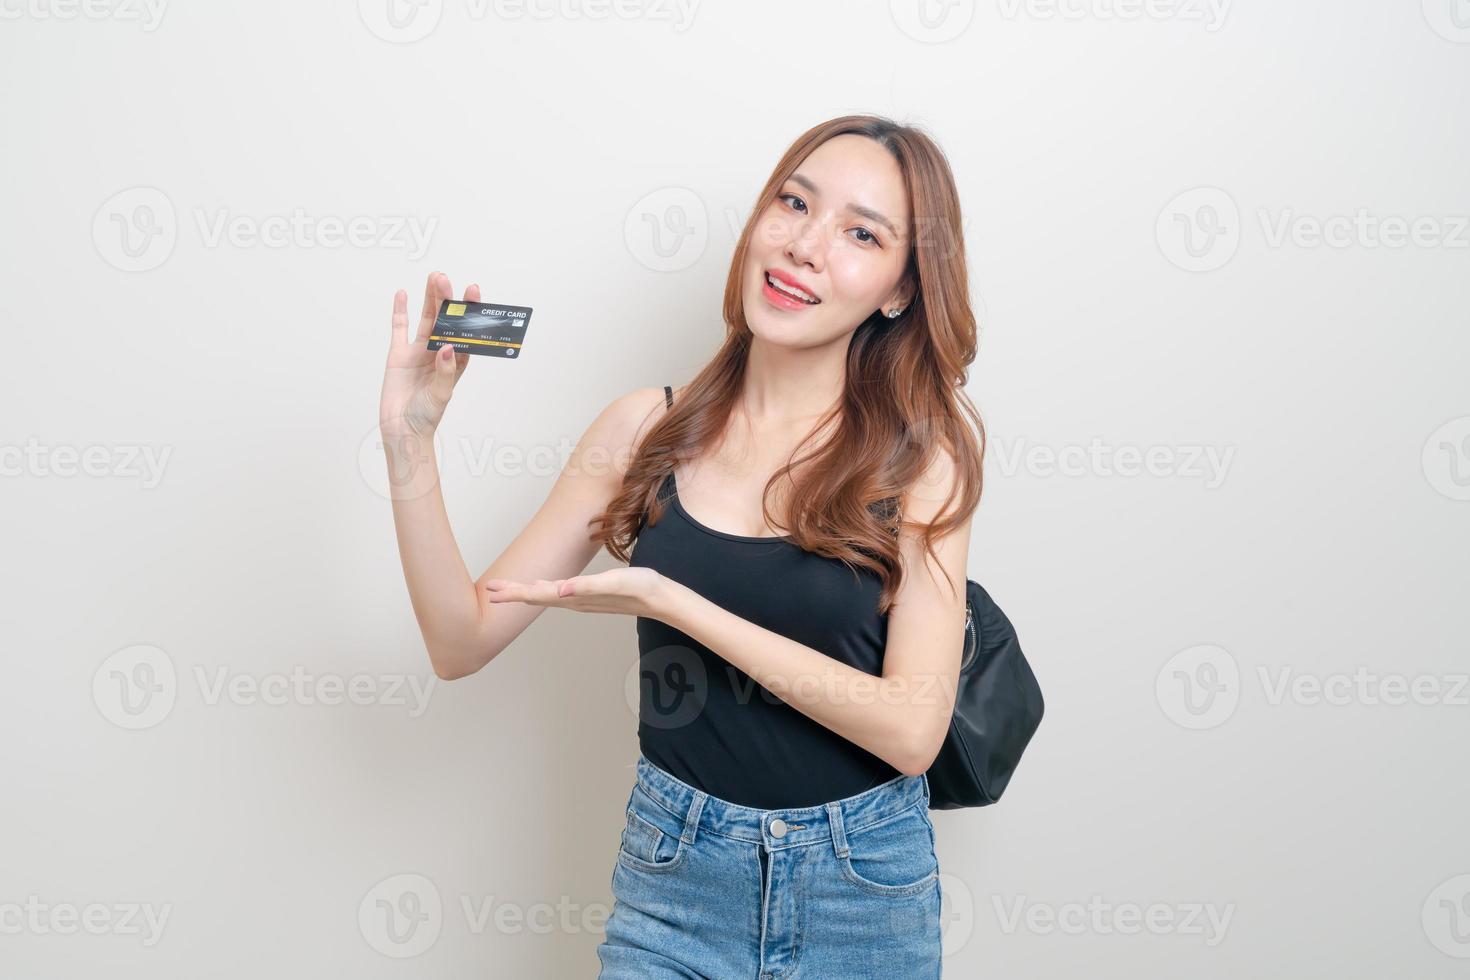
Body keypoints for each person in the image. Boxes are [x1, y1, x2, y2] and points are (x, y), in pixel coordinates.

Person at [377, 113, 985, 978]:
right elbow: (459, 639)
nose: (806, 245)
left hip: (864, 892)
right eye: (793, 202)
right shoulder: (641, 429)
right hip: (676, 884)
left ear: (899, 290)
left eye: (860, 233)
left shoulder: (922, 459)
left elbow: (914, 731)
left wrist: (675, 603)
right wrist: (411, 444)